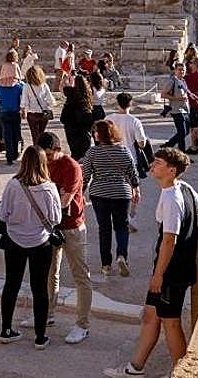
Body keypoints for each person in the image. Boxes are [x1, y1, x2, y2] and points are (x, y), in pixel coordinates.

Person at [104, 149, 198, 378]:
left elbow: (169, 240)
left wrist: (159, 275)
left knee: (171, 323)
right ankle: (134, 368)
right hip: (173, 268)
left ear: (171, 170)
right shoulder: (185, 188)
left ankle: (182, 374)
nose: (152, 165)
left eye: (158, 162)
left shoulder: (171, 198)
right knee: (151, 315)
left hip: (171, 271)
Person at [0, 146, 60, 348]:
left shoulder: (13, 185)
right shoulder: (49, 188)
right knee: (39, 289)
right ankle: (40, 336)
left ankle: (6, 329)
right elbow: (56, 218)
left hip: (15, 240)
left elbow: (2, 214)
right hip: (40, 242)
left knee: (11, 284)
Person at [34, 132, 92, 345]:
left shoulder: (71, 167)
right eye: (43, 156)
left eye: (49, 155)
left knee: (80, 276)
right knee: (50, 272)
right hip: (50, 227)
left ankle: (82, 324)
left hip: (72, 227)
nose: (46, 160)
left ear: (58, 150)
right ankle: (48, 313)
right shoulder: (42, 164)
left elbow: (64, 201)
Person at [81, 119, 140, 278]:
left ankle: (106, 264)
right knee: (122, 226)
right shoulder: (123, 150)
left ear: (98, 135)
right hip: (121, 193)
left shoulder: (93, 152)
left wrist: (81, 193)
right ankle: (122, 256)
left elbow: (86, 176)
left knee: (104, 228)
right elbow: (132, 172)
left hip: (99, 193)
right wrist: (136, 188)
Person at [107, 92, 149, 227]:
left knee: (114, 189)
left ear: (117, 103)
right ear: (130, 104)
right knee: (133, 189)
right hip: (130, 159)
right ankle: (130, 216)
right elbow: (142, 143)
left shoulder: (109, 119)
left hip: (111, 158)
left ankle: (116, 216)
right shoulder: (135, 121)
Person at [60, 74, 95, 160]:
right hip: (84, 128)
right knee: (85, 154)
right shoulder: (88, 93)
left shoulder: (70, 94)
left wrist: (67, 78)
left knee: (75, 152)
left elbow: (62, 87)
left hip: (71, 127)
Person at [159, 61, 193, 150]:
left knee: (186, 132)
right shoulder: (172, 81)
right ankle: (182, 152)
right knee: (182, 132)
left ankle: (169, 144)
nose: (182, 72)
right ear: (175, 71)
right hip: (176, 110)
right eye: (179, 70)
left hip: (185, 109)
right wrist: (177, 98)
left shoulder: (183, 81)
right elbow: (163, 94)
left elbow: (185, 91)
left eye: (183, 70)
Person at [0, 76, 24, 165]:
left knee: (7, 135)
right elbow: (24, 99)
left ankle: (9, 157)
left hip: (4, 112)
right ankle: (15, 154)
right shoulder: (19, 86)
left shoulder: (0, 86)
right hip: (15, 112)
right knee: (15, 134)